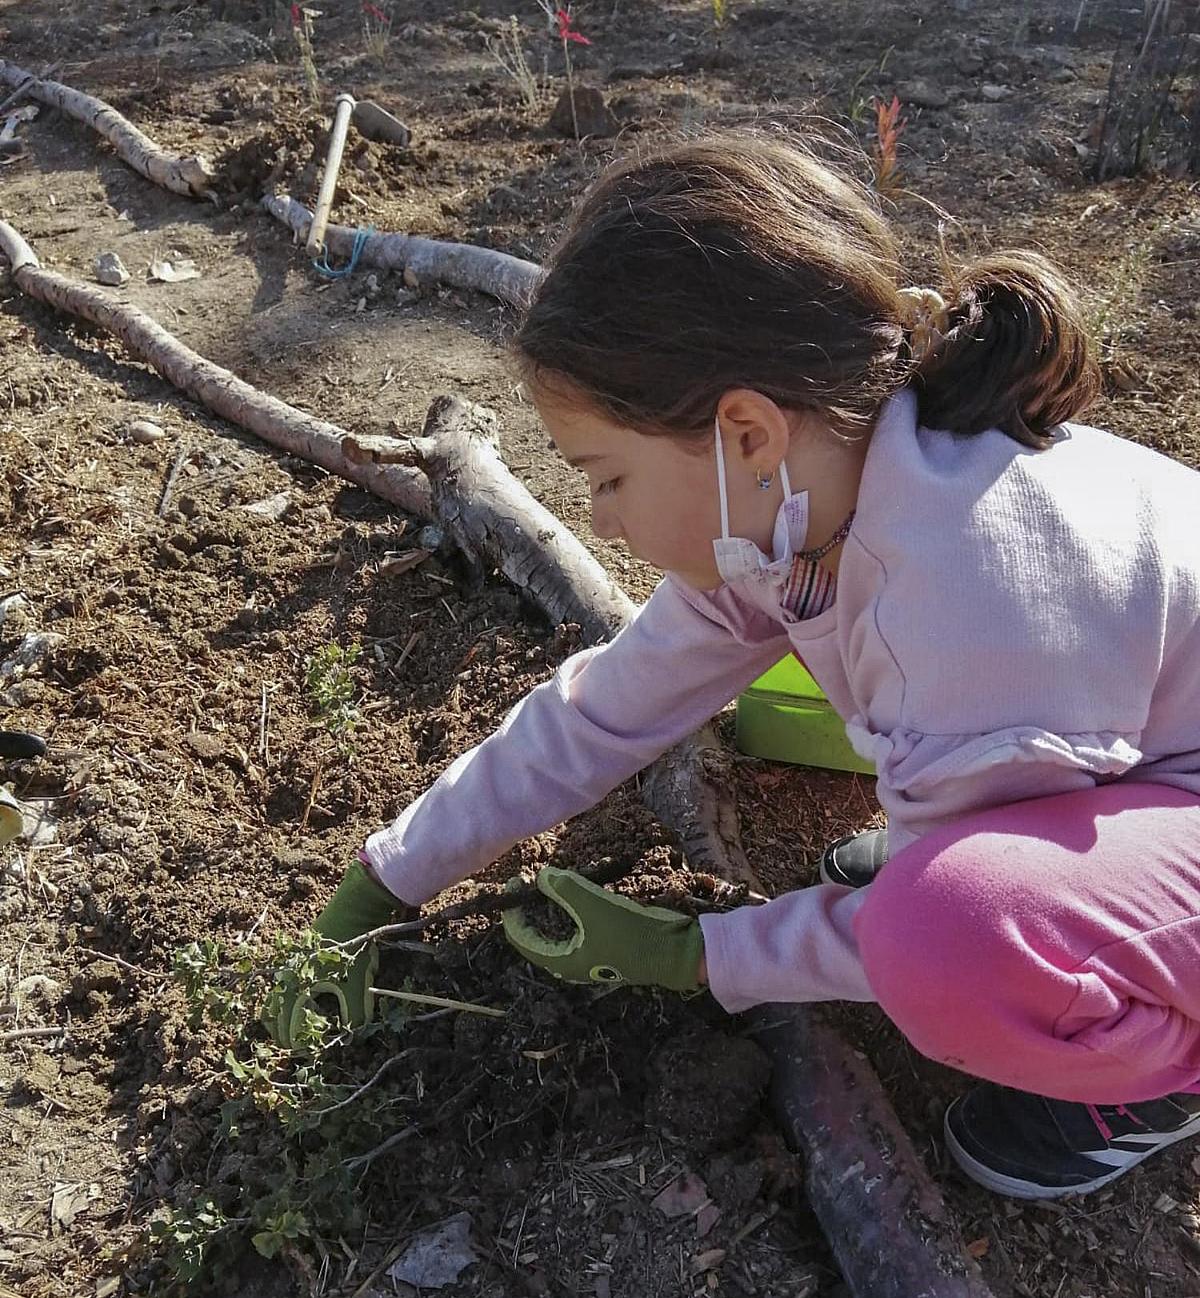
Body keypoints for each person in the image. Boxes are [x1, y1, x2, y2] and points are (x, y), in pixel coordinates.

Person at [281, 133, 1200, 1201]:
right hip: (1136, 755)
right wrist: (391, 872)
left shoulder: (963, 591)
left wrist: (702, 952)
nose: (598, 516)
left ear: (747, 432)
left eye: (608, 475)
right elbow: (607, 709)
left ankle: (1160, 1072)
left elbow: (949, 917)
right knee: (929, 877)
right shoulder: (805, 501)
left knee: (940, 932)